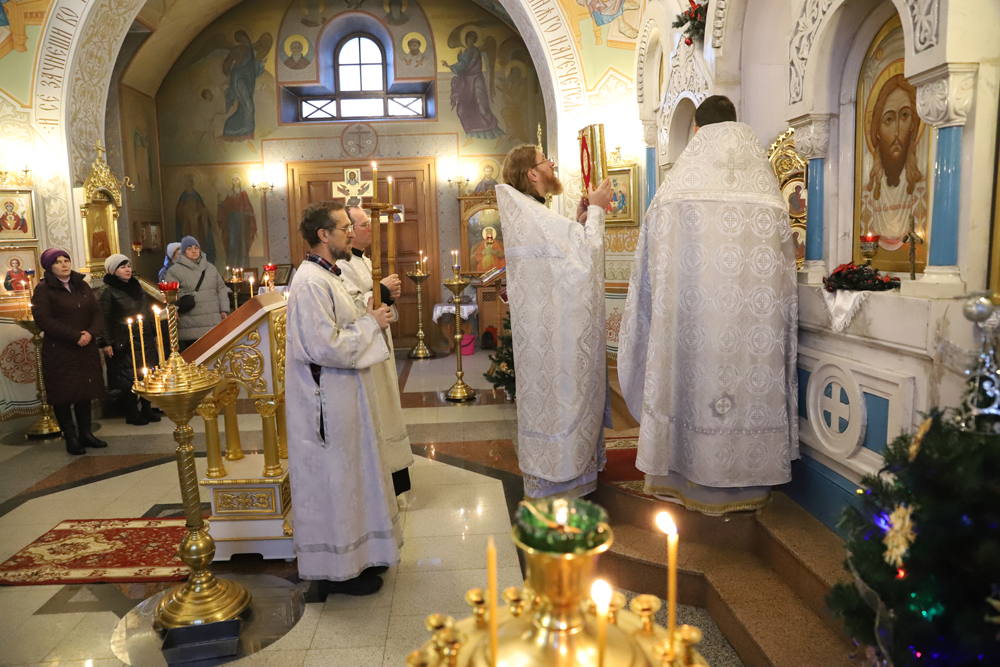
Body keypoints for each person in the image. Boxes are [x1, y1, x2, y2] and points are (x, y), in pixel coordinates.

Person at [617, 95, 798, 515]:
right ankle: (748, 485)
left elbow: (648, 273)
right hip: (751, 336)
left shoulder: (673, 193)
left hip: (692, 335)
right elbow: (786, 277)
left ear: (697, 130)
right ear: (737, 123)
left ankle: (685, 478)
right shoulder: (767, 191)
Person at [285, 200, 400, 596]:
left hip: (344, 397)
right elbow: (325, 345)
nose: (350, 232)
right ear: (323, 235)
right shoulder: (310, 282)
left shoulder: (328, 275)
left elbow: (350, 317)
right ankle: (333, 572)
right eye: (343, 227)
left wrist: (370, 313)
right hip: (325, 405)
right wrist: (371, 322)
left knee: (351, 478)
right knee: (333, 482)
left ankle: (355, 560)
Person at [495, 145, 613, 499]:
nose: (552, 163)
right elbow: (586, 259)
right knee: (561, 402)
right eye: (545, 160)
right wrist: (595, 210)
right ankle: (562, 481)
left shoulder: (532, 213)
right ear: (533, 173)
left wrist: (579, 222)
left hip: (545, 336)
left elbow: (565, 257)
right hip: (554, 339)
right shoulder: (534, 215)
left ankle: (562, 474)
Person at [338, 205, 413, 497]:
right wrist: (381, 290)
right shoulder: (342, 266)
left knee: (388, 405)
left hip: (379, 343)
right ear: (350, 231)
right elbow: (353, 308)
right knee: (376, 409)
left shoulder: (367, 261)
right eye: (364, 224)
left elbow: (379, 305)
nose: (371, 228)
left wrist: (389, 297)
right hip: (363, 347)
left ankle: (394, 477)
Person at [31, 248, 108, 455]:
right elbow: (43, 320)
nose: (64, 264)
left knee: (85, 389)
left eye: (66, 260)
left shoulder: (81, 285)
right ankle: (71, 437)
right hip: (60, 350)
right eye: (58, 262)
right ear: (49, 267)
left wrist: (91, 333)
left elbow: (97, 312)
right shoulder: (44, 289)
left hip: (85, 348)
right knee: (62, 393)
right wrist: (76, 336)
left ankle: (86, 433)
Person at [97, 254, 162, 426]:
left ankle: (147, 407)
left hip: (144, 337)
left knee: (147, 373)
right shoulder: (107, 291)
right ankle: (132, 412)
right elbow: (103, 318)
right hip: (124, 340)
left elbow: (147, 311)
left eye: (128, 266)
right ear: (113, 271)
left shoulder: (137, 286)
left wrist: (154, 332)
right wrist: (105, 342)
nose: (127, 270)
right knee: (129, 377)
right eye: (122, 267)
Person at [163, 236, 230, 348]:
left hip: (213, 321)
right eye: (189, 248)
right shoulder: (174, 271)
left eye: (196, 247)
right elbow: (171, 294)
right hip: (191, 323)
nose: (193, 251)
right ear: (184, 252)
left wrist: (224, 309)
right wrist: (174, 309)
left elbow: (221, 289)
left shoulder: (210, 268)